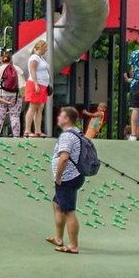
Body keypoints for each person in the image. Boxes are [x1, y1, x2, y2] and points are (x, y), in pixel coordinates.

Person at [46, 105, 86, 254]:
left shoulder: (67, 136)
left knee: (69, 211)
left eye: (61, 116)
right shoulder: (76, 132)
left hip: (68, 177)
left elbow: (64, 158)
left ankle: (73, 246)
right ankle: (59, 238)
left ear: (67, 119)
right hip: (73, 175)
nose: (58, 118)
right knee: (57, 204)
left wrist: (58, 177)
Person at [0, 52, 22, 138]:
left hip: (1, 95)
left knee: (0, 116)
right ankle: (16, 135)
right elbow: (22, 83)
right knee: (15, 116)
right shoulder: (17, 69)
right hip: (15, 96)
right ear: (11, 59)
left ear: (2, 60)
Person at [24, 40, 51, 138]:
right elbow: (32, 70)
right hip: (36, 84)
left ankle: (38, 130)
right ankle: (27, 130)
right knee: (33, 107)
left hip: (43, 85)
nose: (46, 50)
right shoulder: (34, 57)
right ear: (40, 47)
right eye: (45, 48)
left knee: (40, 108)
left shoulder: (41, 58)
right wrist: (36, 84)